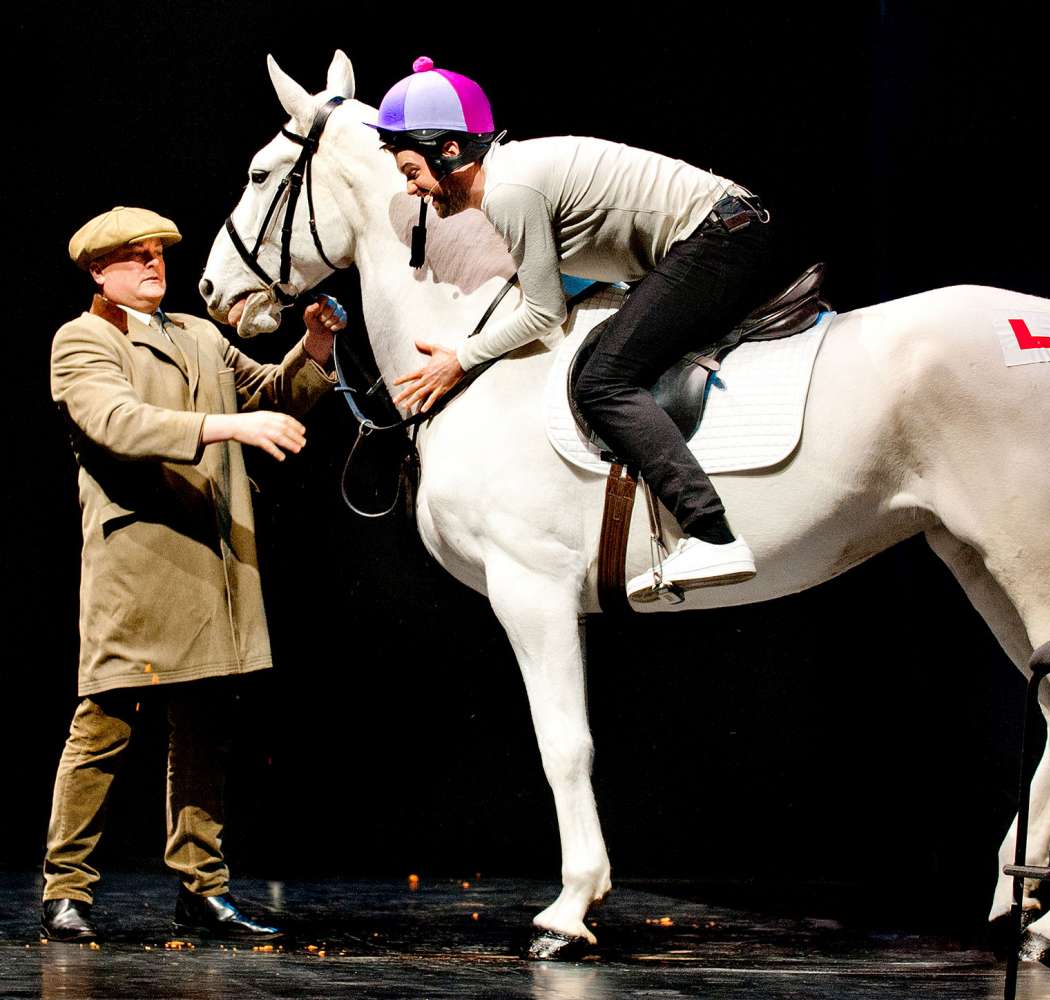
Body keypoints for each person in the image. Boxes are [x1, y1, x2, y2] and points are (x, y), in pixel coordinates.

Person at [41, 206, 346, 943]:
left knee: (205, 729)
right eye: (134, 256)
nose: (152, 265)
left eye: (157, 254)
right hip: (140, 559)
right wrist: (227, 426)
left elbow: (275, 395)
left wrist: (315, 343)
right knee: (107, 723)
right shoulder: (84, 338)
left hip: (211, 560)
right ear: (97, 271)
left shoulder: (199, 334)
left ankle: (202, 889)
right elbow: (116, 421)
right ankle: (67, 890)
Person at [370, 57, 778, 602]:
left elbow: (543, 314)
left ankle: (711, 533)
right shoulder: (512, 178)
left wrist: (461, 358)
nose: (414, 189)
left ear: (449, 152)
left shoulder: (508, 192)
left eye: (411, 172)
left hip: (719, 236)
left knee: (602, 381)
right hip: (714, 235)